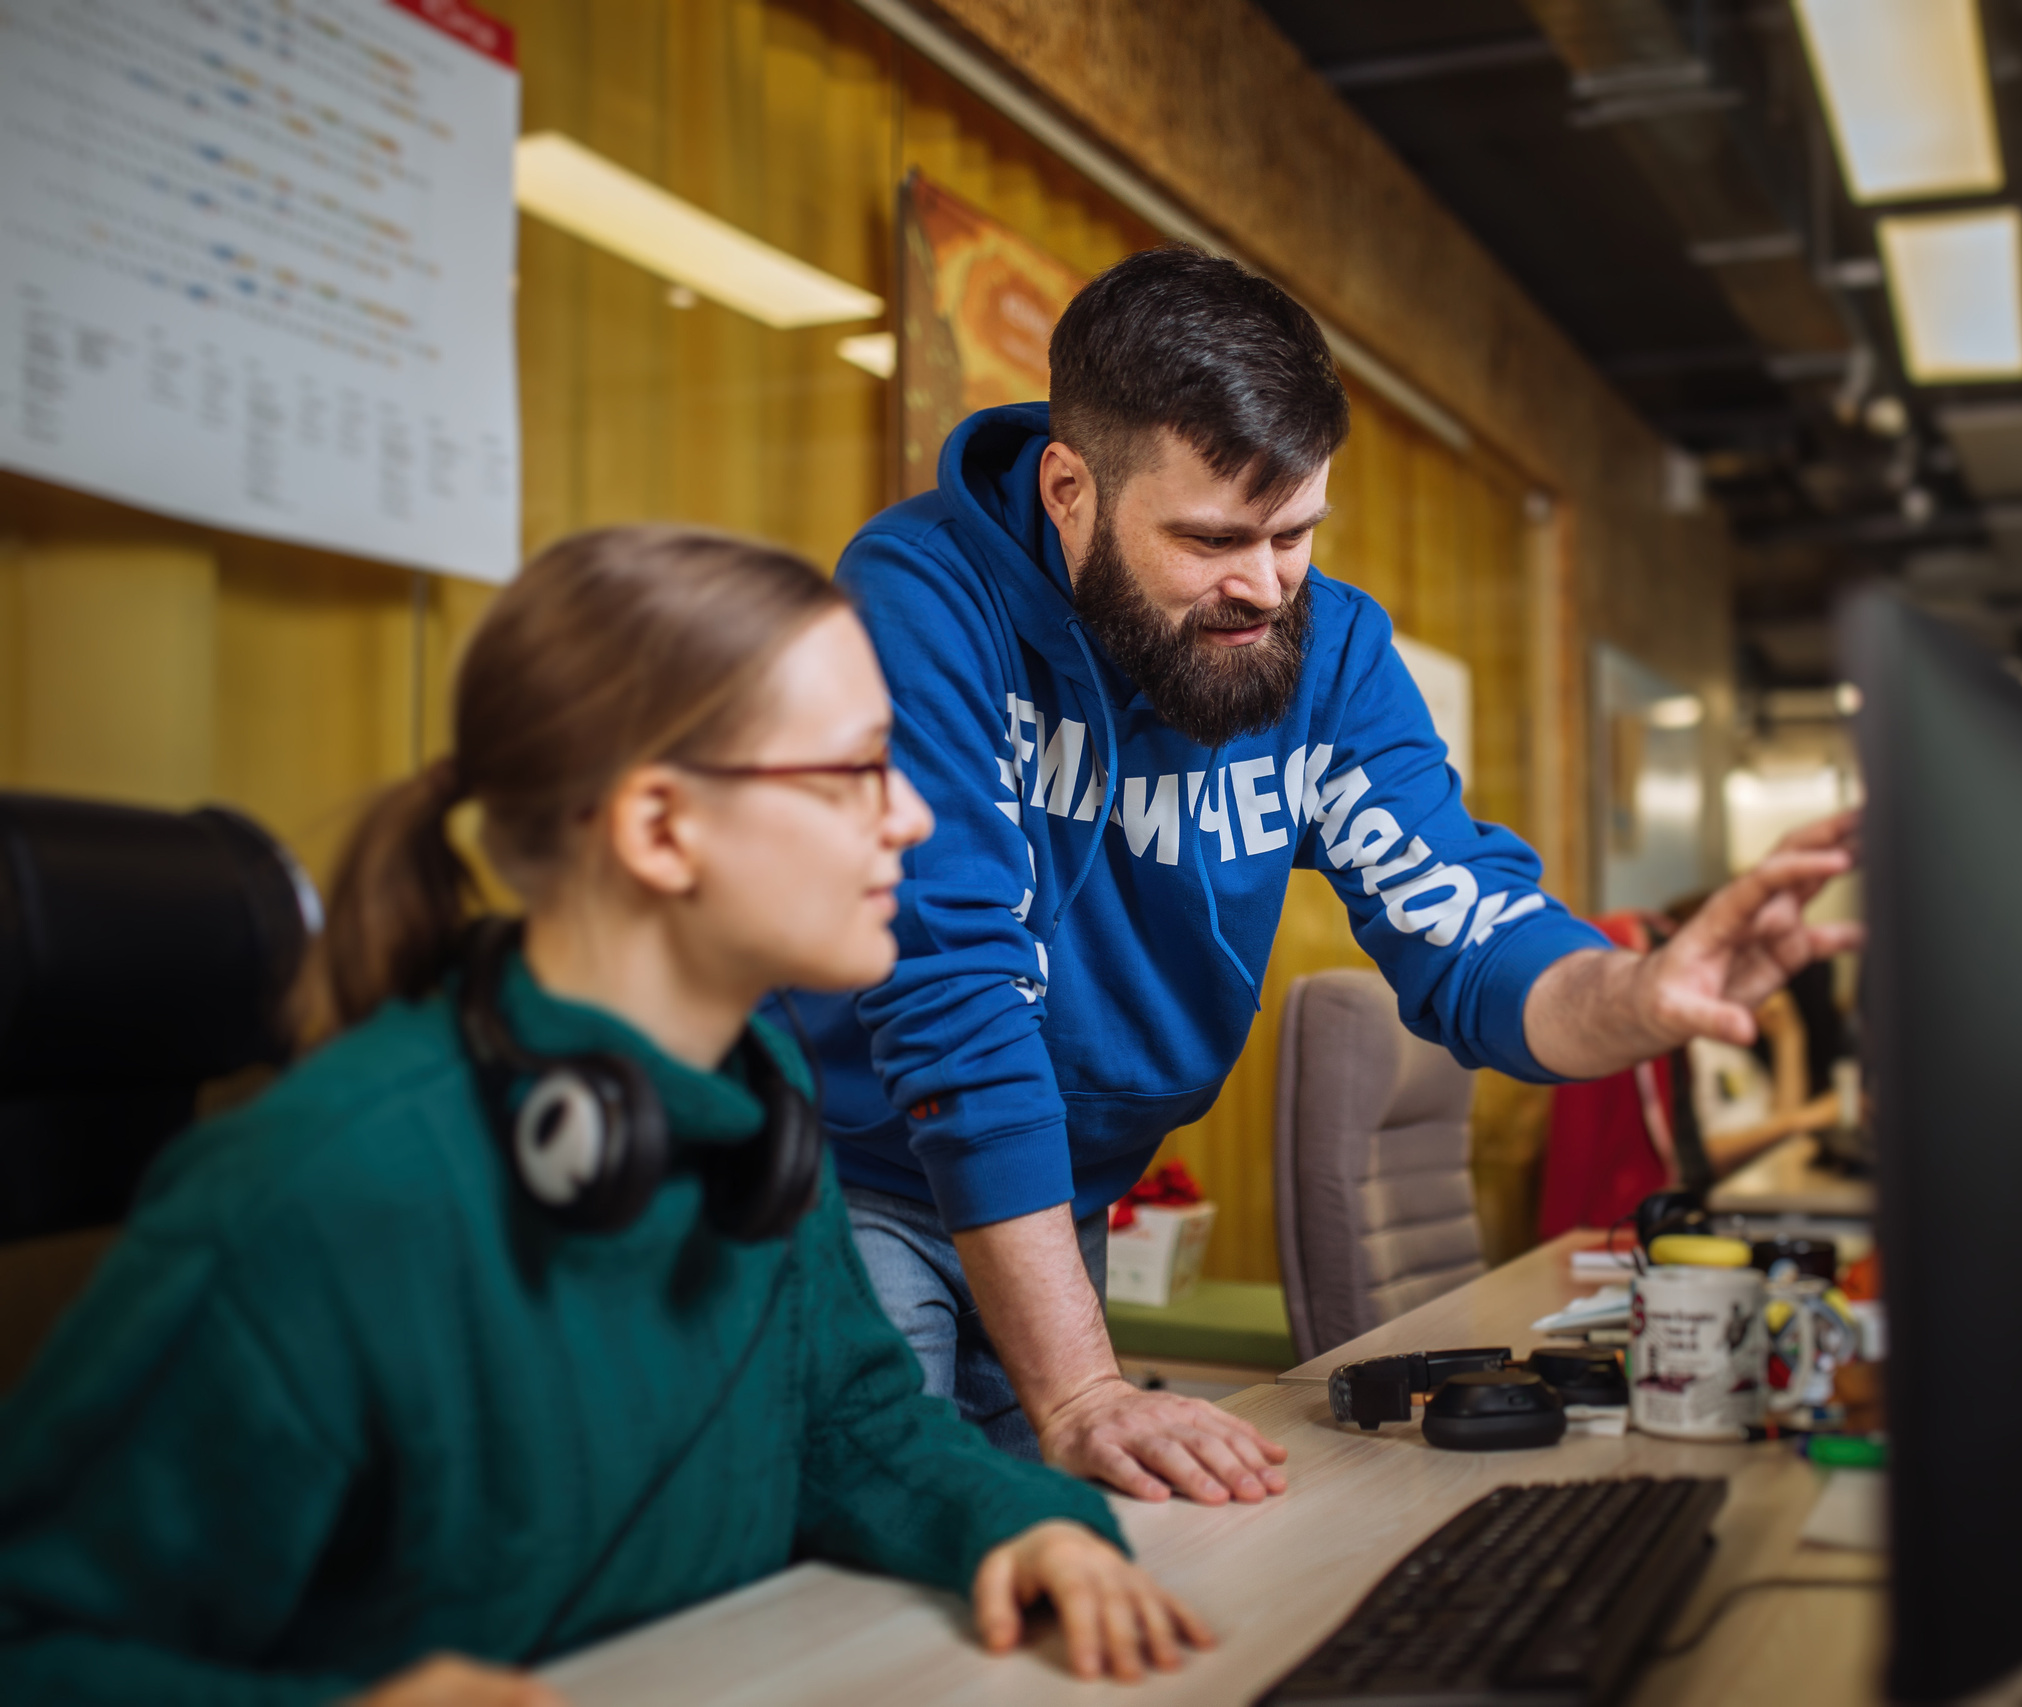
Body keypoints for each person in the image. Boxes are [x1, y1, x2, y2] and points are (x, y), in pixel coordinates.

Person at [0, 527, 1207, 1706]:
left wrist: (1025, 1524)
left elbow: (854, 1423)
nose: (911, 817)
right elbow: (38, 1644)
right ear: (658, 828)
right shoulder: (325, 1190)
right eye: (855, 771)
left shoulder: (756, 1105)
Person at [792, 246, 1860, 1508]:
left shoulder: (1328, 649)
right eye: (1211, 539)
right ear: (1070, 489)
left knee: (1044, 1580)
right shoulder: (922, 600)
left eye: (1295, 532)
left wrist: (1638, 991)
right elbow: (953, 999)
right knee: (889, 1571)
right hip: (853, 1182)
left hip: (1052, 1204)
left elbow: (1461, 921)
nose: (1262, 587)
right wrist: (1081, 1389)